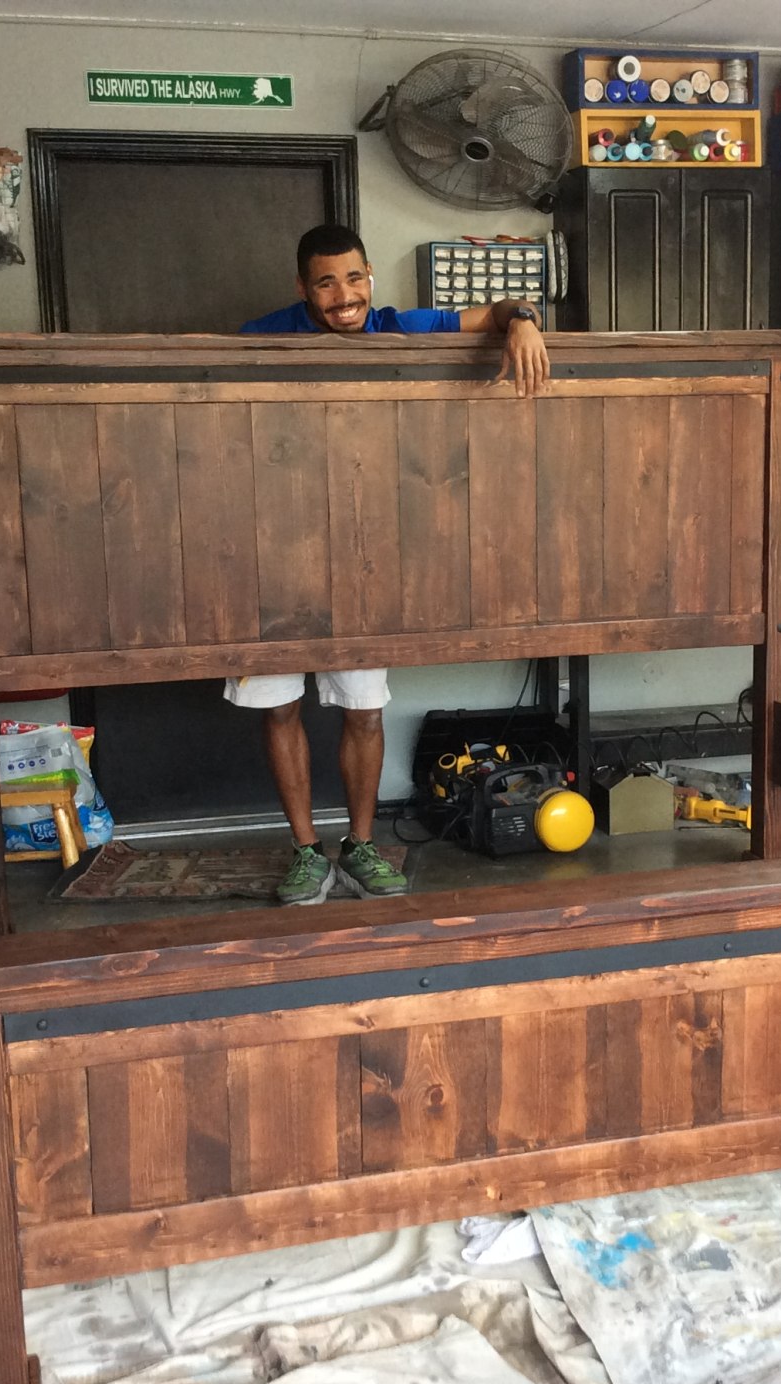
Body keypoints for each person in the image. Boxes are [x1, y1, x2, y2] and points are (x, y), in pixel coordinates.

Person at [235, 223, 551, 905]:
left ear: (370, 275)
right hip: (274, 552)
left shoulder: (398, 325)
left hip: (364, 553)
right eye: (325, 282)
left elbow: (497, 311)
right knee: (278, 706)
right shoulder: (262, 336)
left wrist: (524, 321)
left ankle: (360, 845)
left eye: (353, 277)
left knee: (365, 709)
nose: (343, 295)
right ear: (303, 288)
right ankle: (305, 852)